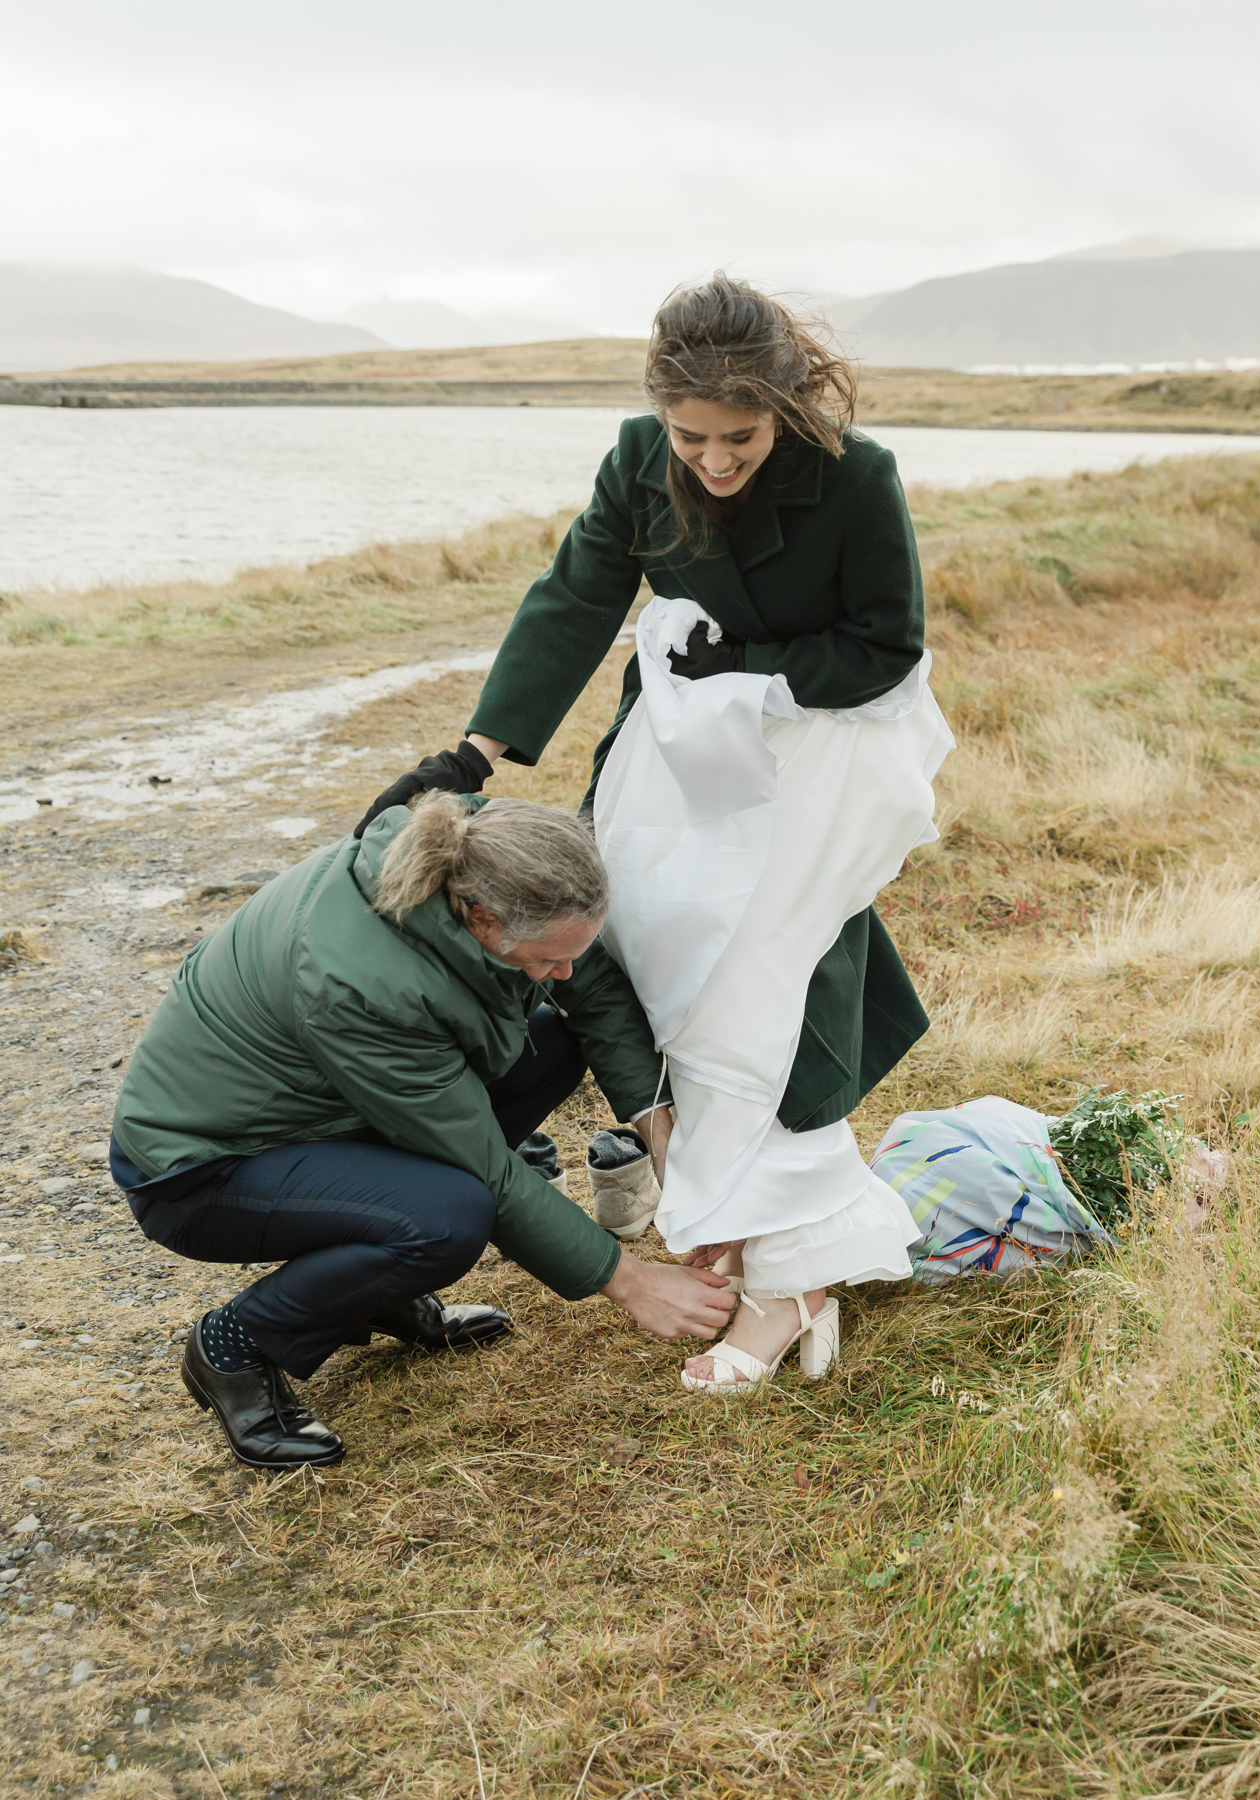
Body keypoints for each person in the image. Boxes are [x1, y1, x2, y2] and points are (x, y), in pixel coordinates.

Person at [356, 274, 952, 1392]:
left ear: (785, 406)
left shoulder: (856, 477)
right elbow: (579, 596)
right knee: (633, 952)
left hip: (815, 743)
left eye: (740, 437)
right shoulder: (638, 457)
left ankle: (789, 1278)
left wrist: (753, 671)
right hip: (677, 742)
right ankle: (724, 1208)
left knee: (757, 982)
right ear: (658, 414)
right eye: (693, 437)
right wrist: (479, 753)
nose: (714, 461)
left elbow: (886, 648)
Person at [109, 794, 734, 1467]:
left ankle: (380, 1290)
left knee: (554, 1045)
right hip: (203, 1168)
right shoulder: (359, 984)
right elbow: (484, 1165)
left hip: (328, 1115)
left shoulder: (489, 848)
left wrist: (666, 1149)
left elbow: (596, 996)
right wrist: (628, 1280)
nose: (565, 973)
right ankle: (236, 1344)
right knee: (448, 1218)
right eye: (547, 959)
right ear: (483, 920)